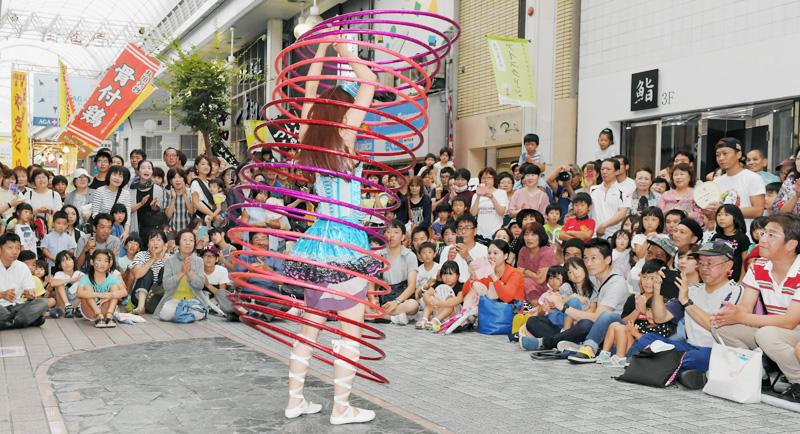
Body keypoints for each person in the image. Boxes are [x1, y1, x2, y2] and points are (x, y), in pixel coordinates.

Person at [280, 40, 382, 425]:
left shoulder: (311, 132)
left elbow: (307, 87)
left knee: (310, 325)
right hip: (347, 242)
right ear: (343, 112)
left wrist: (322, 48)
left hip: (318, 241)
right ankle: (341, 408)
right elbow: (370, 80)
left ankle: (295, 400)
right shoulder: (345, 137)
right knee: (350, 329)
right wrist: (344, 50)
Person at [712, 214, 800, 402]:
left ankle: (797, 381)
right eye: (764, 233)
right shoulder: (758, 266)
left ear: (791, 244)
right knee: (720, 325)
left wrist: (741, 317)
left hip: (792, 330)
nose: (762, 239)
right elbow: (745, 307)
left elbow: (790, 320)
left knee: (766, 335)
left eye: (771, 235)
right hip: (775, 329)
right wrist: (731, 313)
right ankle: (758, 375)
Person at [640, 241, 744, 388]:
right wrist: (657, 292)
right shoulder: (693, 289)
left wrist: (686, 301)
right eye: (701, 263)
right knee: (648, 340)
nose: (704, 268)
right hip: (688, 347)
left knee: (699, 357)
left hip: (715, 350)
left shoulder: (736, 291)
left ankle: (654, 366)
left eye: (710, 263)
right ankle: (683, 372)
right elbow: (660, 318)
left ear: (728, 265)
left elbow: (715, 326)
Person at [520, 238, 629, 360]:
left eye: (593, 258)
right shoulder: (593, 278)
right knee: (533, 321)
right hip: (576, 326)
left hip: (604, 333)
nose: (588, 263)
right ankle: (569, 343)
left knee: (585, 324)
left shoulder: (616, 283)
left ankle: (546, 342)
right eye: (586, 258)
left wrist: (564, 307)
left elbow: (597, 317)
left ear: (608, 259)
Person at [705, 138, 765, 227]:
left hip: (744, 235)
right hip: (720, 236)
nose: (721, 158)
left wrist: (725, 210)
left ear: (738, 155)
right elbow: (713, 216)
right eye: (718, 155)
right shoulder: (716, 182)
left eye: (725, 154)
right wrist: (707, 211)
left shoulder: (753, 178)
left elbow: (758, 210)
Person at [155, 229, 213, 321]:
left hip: (193, 300)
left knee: (197, 312)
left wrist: (190, 273)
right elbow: (166, 285)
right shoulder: (170, 261)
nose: (188, 243)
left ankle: (182, 314)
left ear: (194, 244)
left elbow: (200, 285)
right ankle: (185, 314)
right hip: (173, 299)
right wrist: (181, 272)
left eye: (191, 240)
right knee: (165, 314)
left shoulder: (199, 261)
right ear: (178, 243)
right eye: (185, 240)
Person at [0, 234, 47, 330]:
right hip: (1, 308)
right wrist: (2, 294)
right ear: (0, 249)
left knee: (42, 303)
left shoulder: (22, 267)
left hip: (16, 307)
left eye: (17, 248)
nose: (14, 251)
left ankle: (8, 323)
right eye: (10, 248)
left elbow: (29, 291)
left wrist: (30, 294)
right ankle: (24, 321)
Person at [76, 249, 126, 328]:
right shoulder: (86, 278)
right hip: (89, 310)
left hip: (105, 309)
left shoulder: (112, 278)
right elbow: (79, 293)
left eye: (106, 261)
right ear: (92, 262)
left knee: (115, 287)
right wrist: (101, 295)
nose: (102, 263)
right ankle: (99, 316)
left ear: (109, 264)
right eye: (99, 260)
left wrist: (109, 296)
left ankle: (109, 317)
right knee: (87, 288)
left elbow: (124, 292)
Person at [438, 214, 489, 283]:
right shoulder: (448, 250)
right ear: (456, 231)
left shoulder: (484, 250)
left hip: (473, 289)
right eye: (460, 228)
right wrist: (448, 261)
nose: (463, 231)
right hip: (452, 289)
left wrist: (467, 257)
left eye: (467, 228)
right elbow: (438, 278)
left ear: (475, 231)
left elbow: (484, 277)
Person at [517, 222, 558, 302]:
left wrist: (526, 271)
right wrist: (533, 275)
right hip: (527, 287)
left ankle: (536, 309)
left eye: (533, 235)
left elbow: (540, 279)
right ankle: (524, 310)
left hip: (548, 289)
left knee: (526, 281)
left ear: (540, 236)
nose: (529, 238)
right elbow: (518, 272)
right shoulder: (523, 250)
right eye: (526, 234)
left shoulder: (547, 252)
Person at [591, 158, 630, 239]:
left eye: (608, 169)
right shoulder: (593, 189)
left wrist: (604, 225)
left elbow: (622, 213)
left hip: (614, 236)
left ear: (617, 171)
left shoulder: (624, 190)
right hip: (594, 235)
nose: (604, 172)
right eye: (602, 169)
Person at [129, 160, 167, 243]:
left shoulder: (158, 189)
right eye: (143, 168)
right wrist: (141, 203)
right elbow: (127, 210)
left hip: (150, 228)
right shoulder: (131, 188)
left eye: (149, 168)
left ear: (152, 171)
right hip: (133, 225)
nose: (146, 170)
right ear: (138, 171)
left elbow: (158, 211)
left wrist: (154, 207)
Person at [92, 165, 133, 240]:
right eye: (114, 174)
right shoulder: (100, 191)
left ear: (123, 179)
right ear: (109, 175)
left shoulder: (126, 193)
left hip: (119, 231)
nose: (117, 178)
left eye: (120, 176)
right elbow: (95, 214)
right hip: (102, 231)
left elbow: (127, 215)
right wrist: (105, 226)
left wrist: (126, 232)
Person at [470, 167, 508, 239]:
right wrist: (478, 196)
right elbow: (473, 214)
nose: (486, 180)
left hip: (496, 233)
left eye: (489, 178)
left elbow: (501, 212)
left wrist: (492, 197)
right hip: (480, 233)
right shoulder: (475, 195)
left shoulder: (501, 193)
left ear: (494, 179)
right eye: (483, 178)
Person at [773, 146, 800, 215]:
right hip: (792, 224)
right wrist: (796, 196)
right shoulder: (790, 182)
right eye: (798, 158)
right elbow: (778, 212)